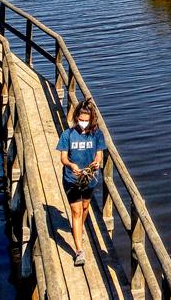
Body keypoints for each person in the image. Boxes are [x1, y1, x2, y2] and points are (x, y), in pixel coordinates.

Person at [56, 97, 106, 266]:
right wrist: (71, 165)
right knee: (76, 211)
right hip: (71, 179)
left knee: (85, 207)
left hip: (89, 179)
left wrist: (96, 162)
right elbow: (63, 157)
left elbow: (99, 154)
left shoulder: (97, 134)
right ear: (76, 117)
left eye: (86, 120)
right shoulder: (67, 135)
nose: (83, 123)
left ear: (91, 119)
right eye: (81, 119)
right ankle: (79, 251)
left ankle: (79, 228)